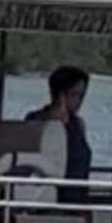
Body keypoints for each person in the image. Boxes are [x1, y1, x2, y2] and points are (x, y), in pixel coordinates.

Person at [26, 66, 93, 205]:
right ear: (60, 94)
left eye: (82, 96)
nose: (79, 101)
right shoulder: (36, 120)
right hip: (46, 198)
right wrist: (56, 123)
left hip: (78, 198)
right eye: (74, 95)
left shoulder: (78, 124)